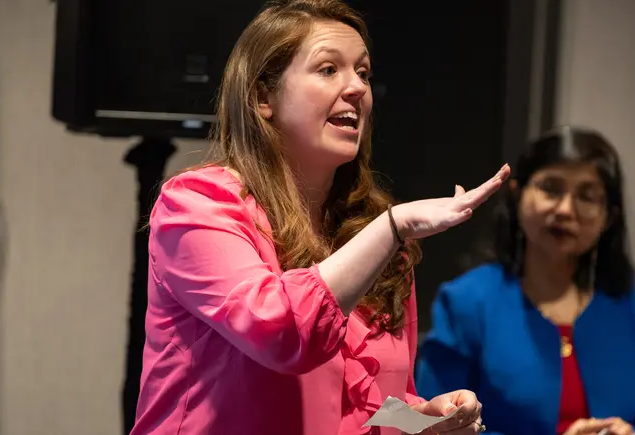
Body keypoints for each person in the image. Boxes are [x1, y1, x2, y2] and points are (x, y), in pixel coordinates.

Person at [130, 1, 510, 434]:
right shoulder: (200, 202)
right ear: (262, 97)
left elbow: (371, 404)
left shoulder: (374, 233)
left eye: (363, 73)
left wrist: (421, 421)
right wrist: (391, 227)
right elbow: (279, 333)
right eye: (329, 69)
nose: (356, 89)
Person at [415, 126, 635, 435]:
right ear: (518, 195)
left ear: (609, 217)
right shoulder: (466, 302)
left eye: (587, 196)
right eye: (551, 189)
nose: (565, 209)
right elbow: (432, 426)